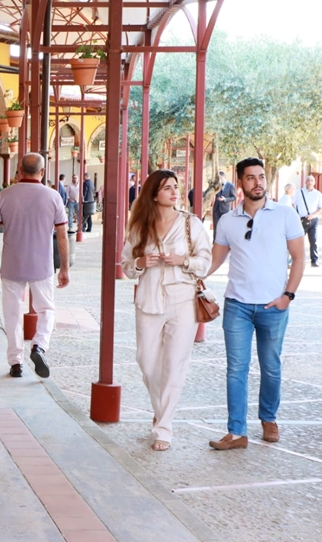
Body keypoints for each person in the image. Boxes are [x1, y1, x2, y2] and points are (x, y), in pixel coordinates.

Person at [207, 157, 305, 451]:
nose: (258, 182)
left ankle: (268, 418)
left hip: (273, 307)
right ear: (240, 183)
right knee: (236, 369)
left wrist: (287, 296)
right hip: (237, 304)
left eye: (261, 177)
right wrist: (188, 273)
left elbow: (299, 258)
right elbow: (214, 260)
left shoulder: (285, 215)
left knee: (271, 367)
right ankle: (236, 431)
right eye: (251, 178)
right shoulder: (227, 220)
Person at [120, 170, 211, 451]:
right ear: (154, 194)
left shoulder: (190, 223)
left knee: (175, 364)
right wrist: (140, 262)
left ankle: (164, 428)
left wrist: (183, 260)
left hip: (182, 299)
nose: (174, 192)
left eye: (175, 187)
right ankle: (161, 408)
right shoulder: (140, 226)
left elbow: (205, 261)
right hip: (148, 299)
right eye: (167, 188)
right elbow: (125, 266)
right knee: (146, 361)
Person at [0, 153, 70, 378]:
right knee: (46, 309)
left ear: (19, 170)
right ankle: (39, 346)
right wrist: (64, 267)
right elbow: (62, 235)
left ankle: (15, 363)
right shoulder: (53, 197)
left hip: (12, 265)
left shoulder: (4, 196)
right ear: (42, 172)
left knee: (12, 313)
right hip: (42, 266)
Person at [293, 175, 322, 267]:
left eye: (311, 180)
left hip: (313, 220)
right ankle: (298, 261)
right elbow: (291, 203)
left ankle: (314, 261)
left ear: (314, 182)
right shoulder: (299, 192)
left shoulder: (318, 194)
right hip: (301, 220)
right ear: (305, 182)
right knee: (299, 241)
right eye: (308, 180)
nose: (310, 182)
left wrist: (313, 215)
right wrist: (296, 215)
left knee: (314, 241)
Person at [212, 171, 236, 238]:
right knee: (216, 227)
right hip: (216, 209)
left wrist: (225, 199)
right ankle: (214, 242)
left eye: (220, 178)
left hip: (225, 209)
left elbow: (234, 197)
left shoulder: (231, 186)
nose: (219, 180)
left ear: (224, 177)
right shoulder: (217, 186)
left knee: (225, 227)